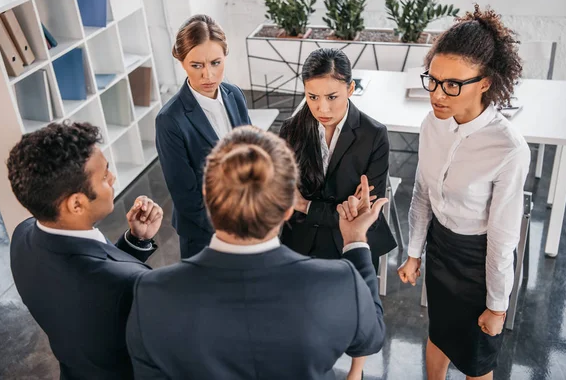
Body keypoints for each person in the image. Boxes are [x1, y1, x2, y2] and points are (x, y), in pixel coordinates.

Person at [126, 126, 387, 379]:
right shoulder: (337, 283)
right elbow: (371, 338)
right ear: (288, 207)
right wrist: (355, 241)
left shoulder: (152, 293)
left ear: (207, 197)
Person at [397, 5, 530, 380]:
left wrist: (497, 306)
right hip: (441, 250)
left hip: (479, 264)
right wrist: (413, 252)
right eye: (433, 80)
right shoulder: (432, 123)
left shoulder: (508, 149)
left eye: (452, 84)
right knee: (438, 333)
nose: (437, 95)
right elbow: (423, 192)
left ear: (485, 82)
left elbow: (503, 240)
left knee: (476, 361)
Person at [8, 122, 163, 380]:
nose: (112, 178)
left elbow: (91, 288)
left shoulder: (22, 236)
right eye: (104, 176)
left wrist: (136, 240)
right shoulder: (128, 285)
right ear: (77, 204)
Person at [279, 48, 396, 379]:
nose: (322, 108)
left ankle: (356, 370)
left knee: (357, 308)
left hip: (350, 241)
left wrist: (306, 205)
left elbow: (361, 216)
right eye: (312, 97)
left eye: (331, 96)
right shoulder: (291, 130)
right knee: (303, 312)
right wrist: (321, 209)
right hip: (301, 239)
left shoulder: (374, 134)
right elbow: (285, 198)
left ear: (351, 88)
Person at [156, 14, 251, 259]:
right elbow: (186, 197)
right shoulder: (170, 120)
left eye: (215, 63)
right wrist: (232, 232)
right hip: (204, 234)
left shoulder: (234, 94)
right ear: (181, 62)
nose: (207, 75)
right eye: (196, 65)